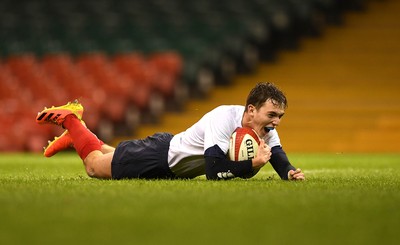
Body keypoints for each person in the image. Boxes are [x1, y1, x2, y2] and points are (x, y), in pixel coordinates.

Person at [36, 82, 305, 181]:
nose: (276, 122)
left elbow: (278, 155)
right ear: (251, 110)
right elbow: (213, 171)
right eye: (272, 115)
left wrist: (289, 172)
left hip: (170, 159)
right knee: (94, 166)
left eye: (280, 116)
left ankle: (77, 137)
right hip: (161, 158)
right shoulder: (223, 117)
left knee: (115, 155)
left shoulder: (264, 127)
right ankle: (73, 120)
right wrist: (251, 165)